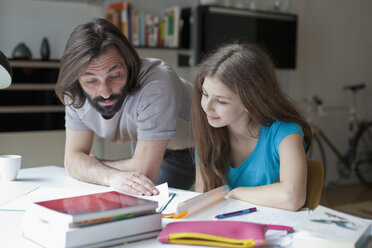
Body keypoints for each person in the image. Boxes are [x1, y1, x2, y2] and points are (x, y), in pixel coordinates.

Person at [55, 18, 194, 196]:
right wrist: (110, 176)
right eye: (91, 81)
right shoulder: (75, 91)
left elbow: (143, 171)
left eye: (114, 76)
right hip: (144, 141)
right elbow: (72, 160)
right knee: (127, 194)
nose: (105, 92)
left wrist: (92, 166)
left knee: (152, 200)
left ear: (130, 65)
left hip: (197, 144)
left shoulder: (157, 84)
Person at [191, 43, 312, 211]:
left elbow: (291, 197)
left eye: (220, 100)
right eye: (205, 94)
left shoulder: (285, 132)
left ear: (250, 101)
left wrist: (236, 193)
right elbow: (202, 197)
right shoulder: (210, 129)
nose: (207, 107)